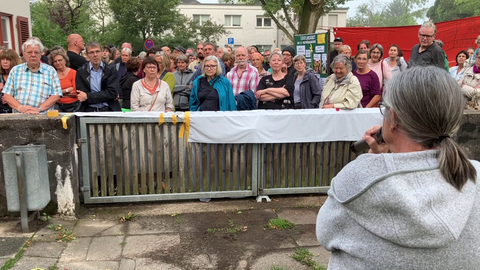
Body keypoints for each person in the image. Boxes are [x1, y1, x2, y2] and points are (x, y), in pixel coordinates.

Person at [316, 66, 480, 269]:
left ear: (393, 118)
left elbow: (325, 233)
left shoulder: (358, 179)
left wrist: (374, 163)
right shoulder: (474, 173)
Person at [3, 38, 62, 114]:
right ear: (24, 54)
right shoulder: (15, 70)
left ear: (41, 54)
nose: (33, 55)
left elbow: (56, 95)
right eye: (29, 52)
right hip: (19, 117)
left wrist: (38, 109)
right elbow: (7, 95)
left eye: (36, 52)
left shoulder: (50, 71)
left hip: (43, 117)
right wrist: (21, 108)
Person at [76, 41, 121, 112]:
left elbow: (112, 93)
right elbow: (82, 96)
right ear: (87, 55)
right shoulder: (81, 72)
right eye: (91, 52)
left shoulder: (111, 70)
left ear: (101, 53)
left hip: (109, 109)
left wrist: (88, 96)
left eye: (97, 51)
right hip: (89, 110)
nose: (95, 55)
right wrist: (105, 95)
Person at [0, 49, 22, 113]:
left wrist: (10, 99)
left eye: (8, 59)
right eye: (2, 59)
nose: (5, 62)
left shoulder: (19, 76)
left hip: (16, 110)